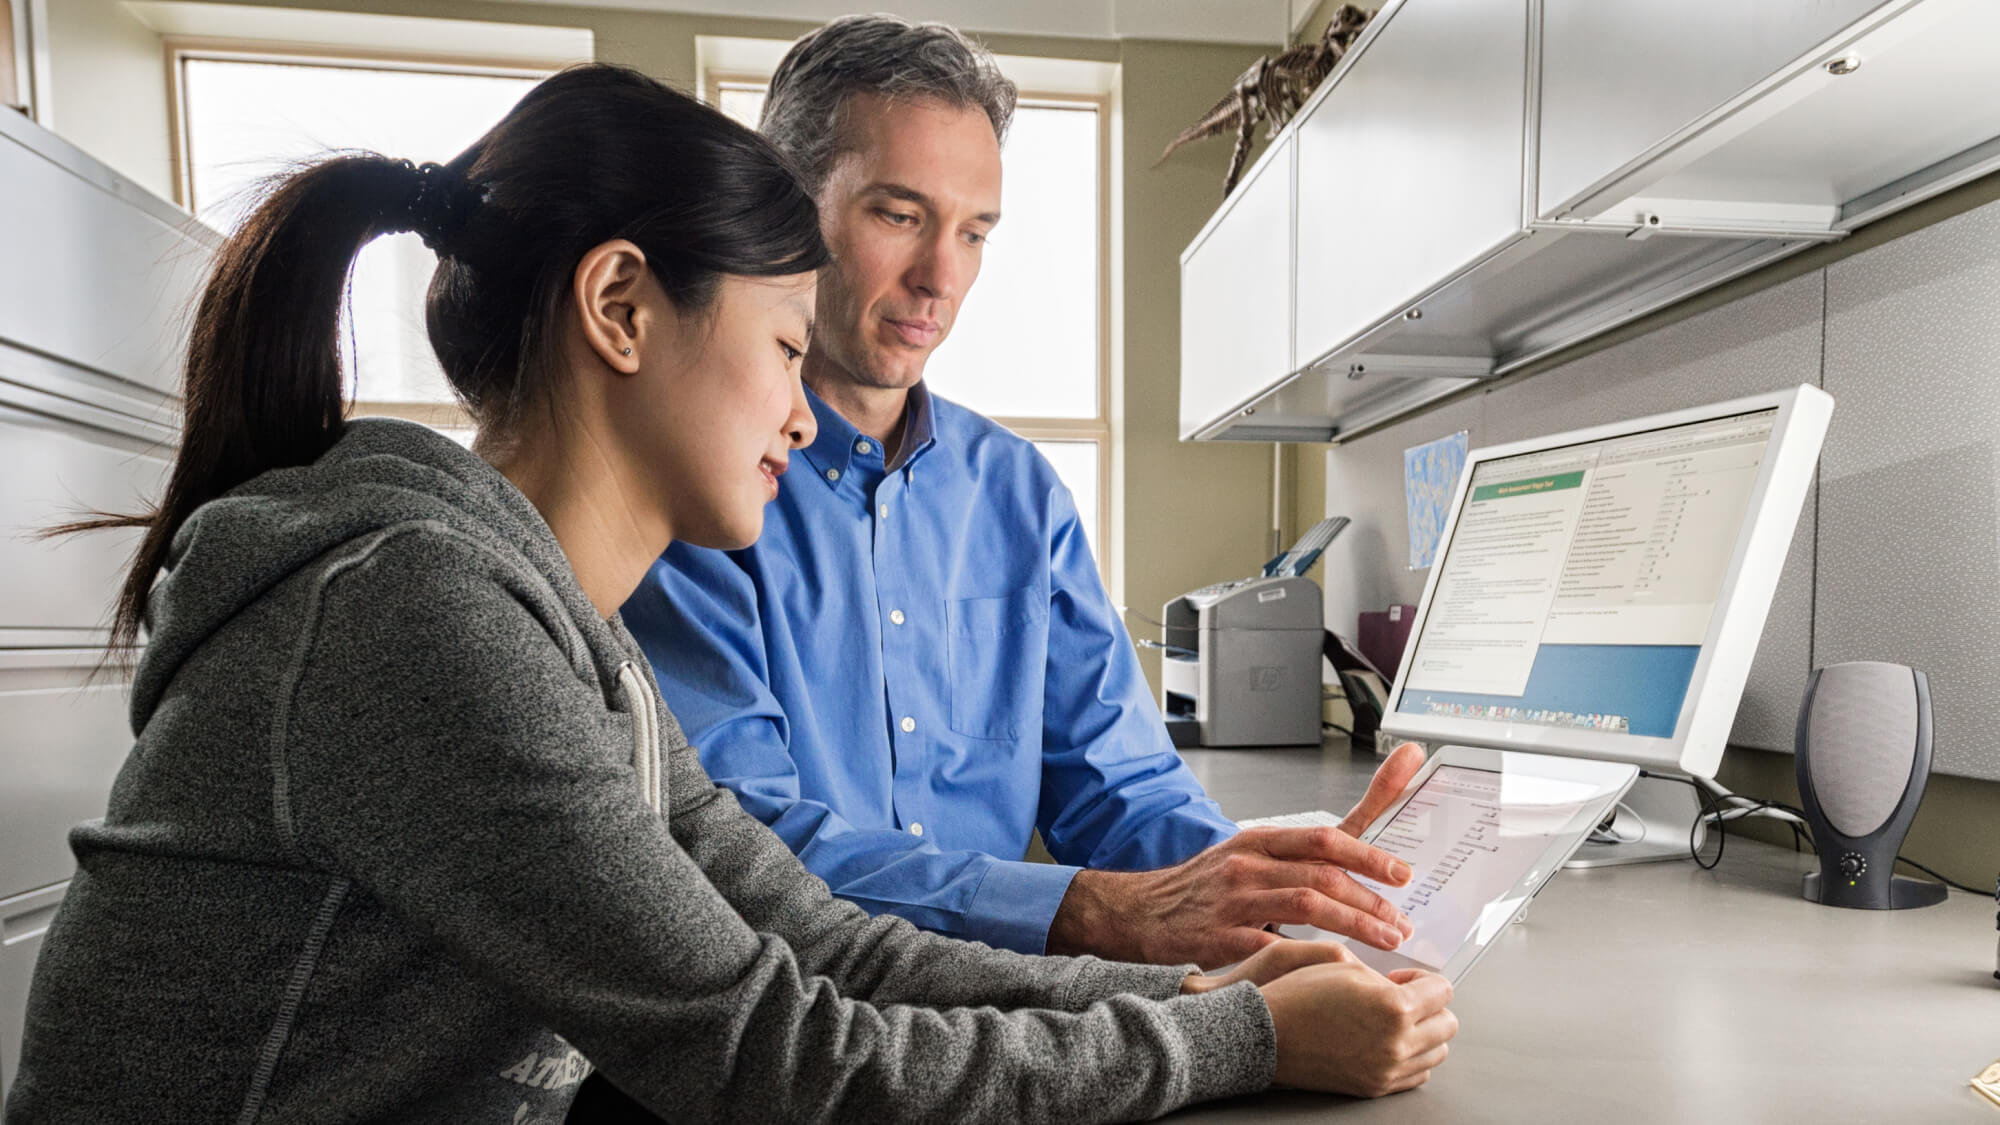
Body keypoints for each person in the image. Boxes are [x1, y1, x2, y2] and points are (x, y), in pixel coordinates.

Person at [2, 65, 1455, 1123]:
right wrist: (1241, 1042)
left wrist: (1204, 997)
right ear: (620, 309)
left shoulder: (560, 637)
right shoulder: (420, 620)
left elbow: (818, 939)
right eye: (780, 348)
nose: (805, 414)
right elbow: (773, 1050)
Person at [622, 15, 1423, 970]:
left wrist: (1266, 886)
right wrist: (1086, 910)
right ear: (788, 204)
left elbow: (1121, 787)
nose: (941, 278)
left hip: (1007, 1015)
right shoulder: (699, 492)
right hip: (803, 1010)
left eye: (974, 232)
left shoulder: (1021, 496)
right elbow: (742, 847)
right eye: (899, 215)